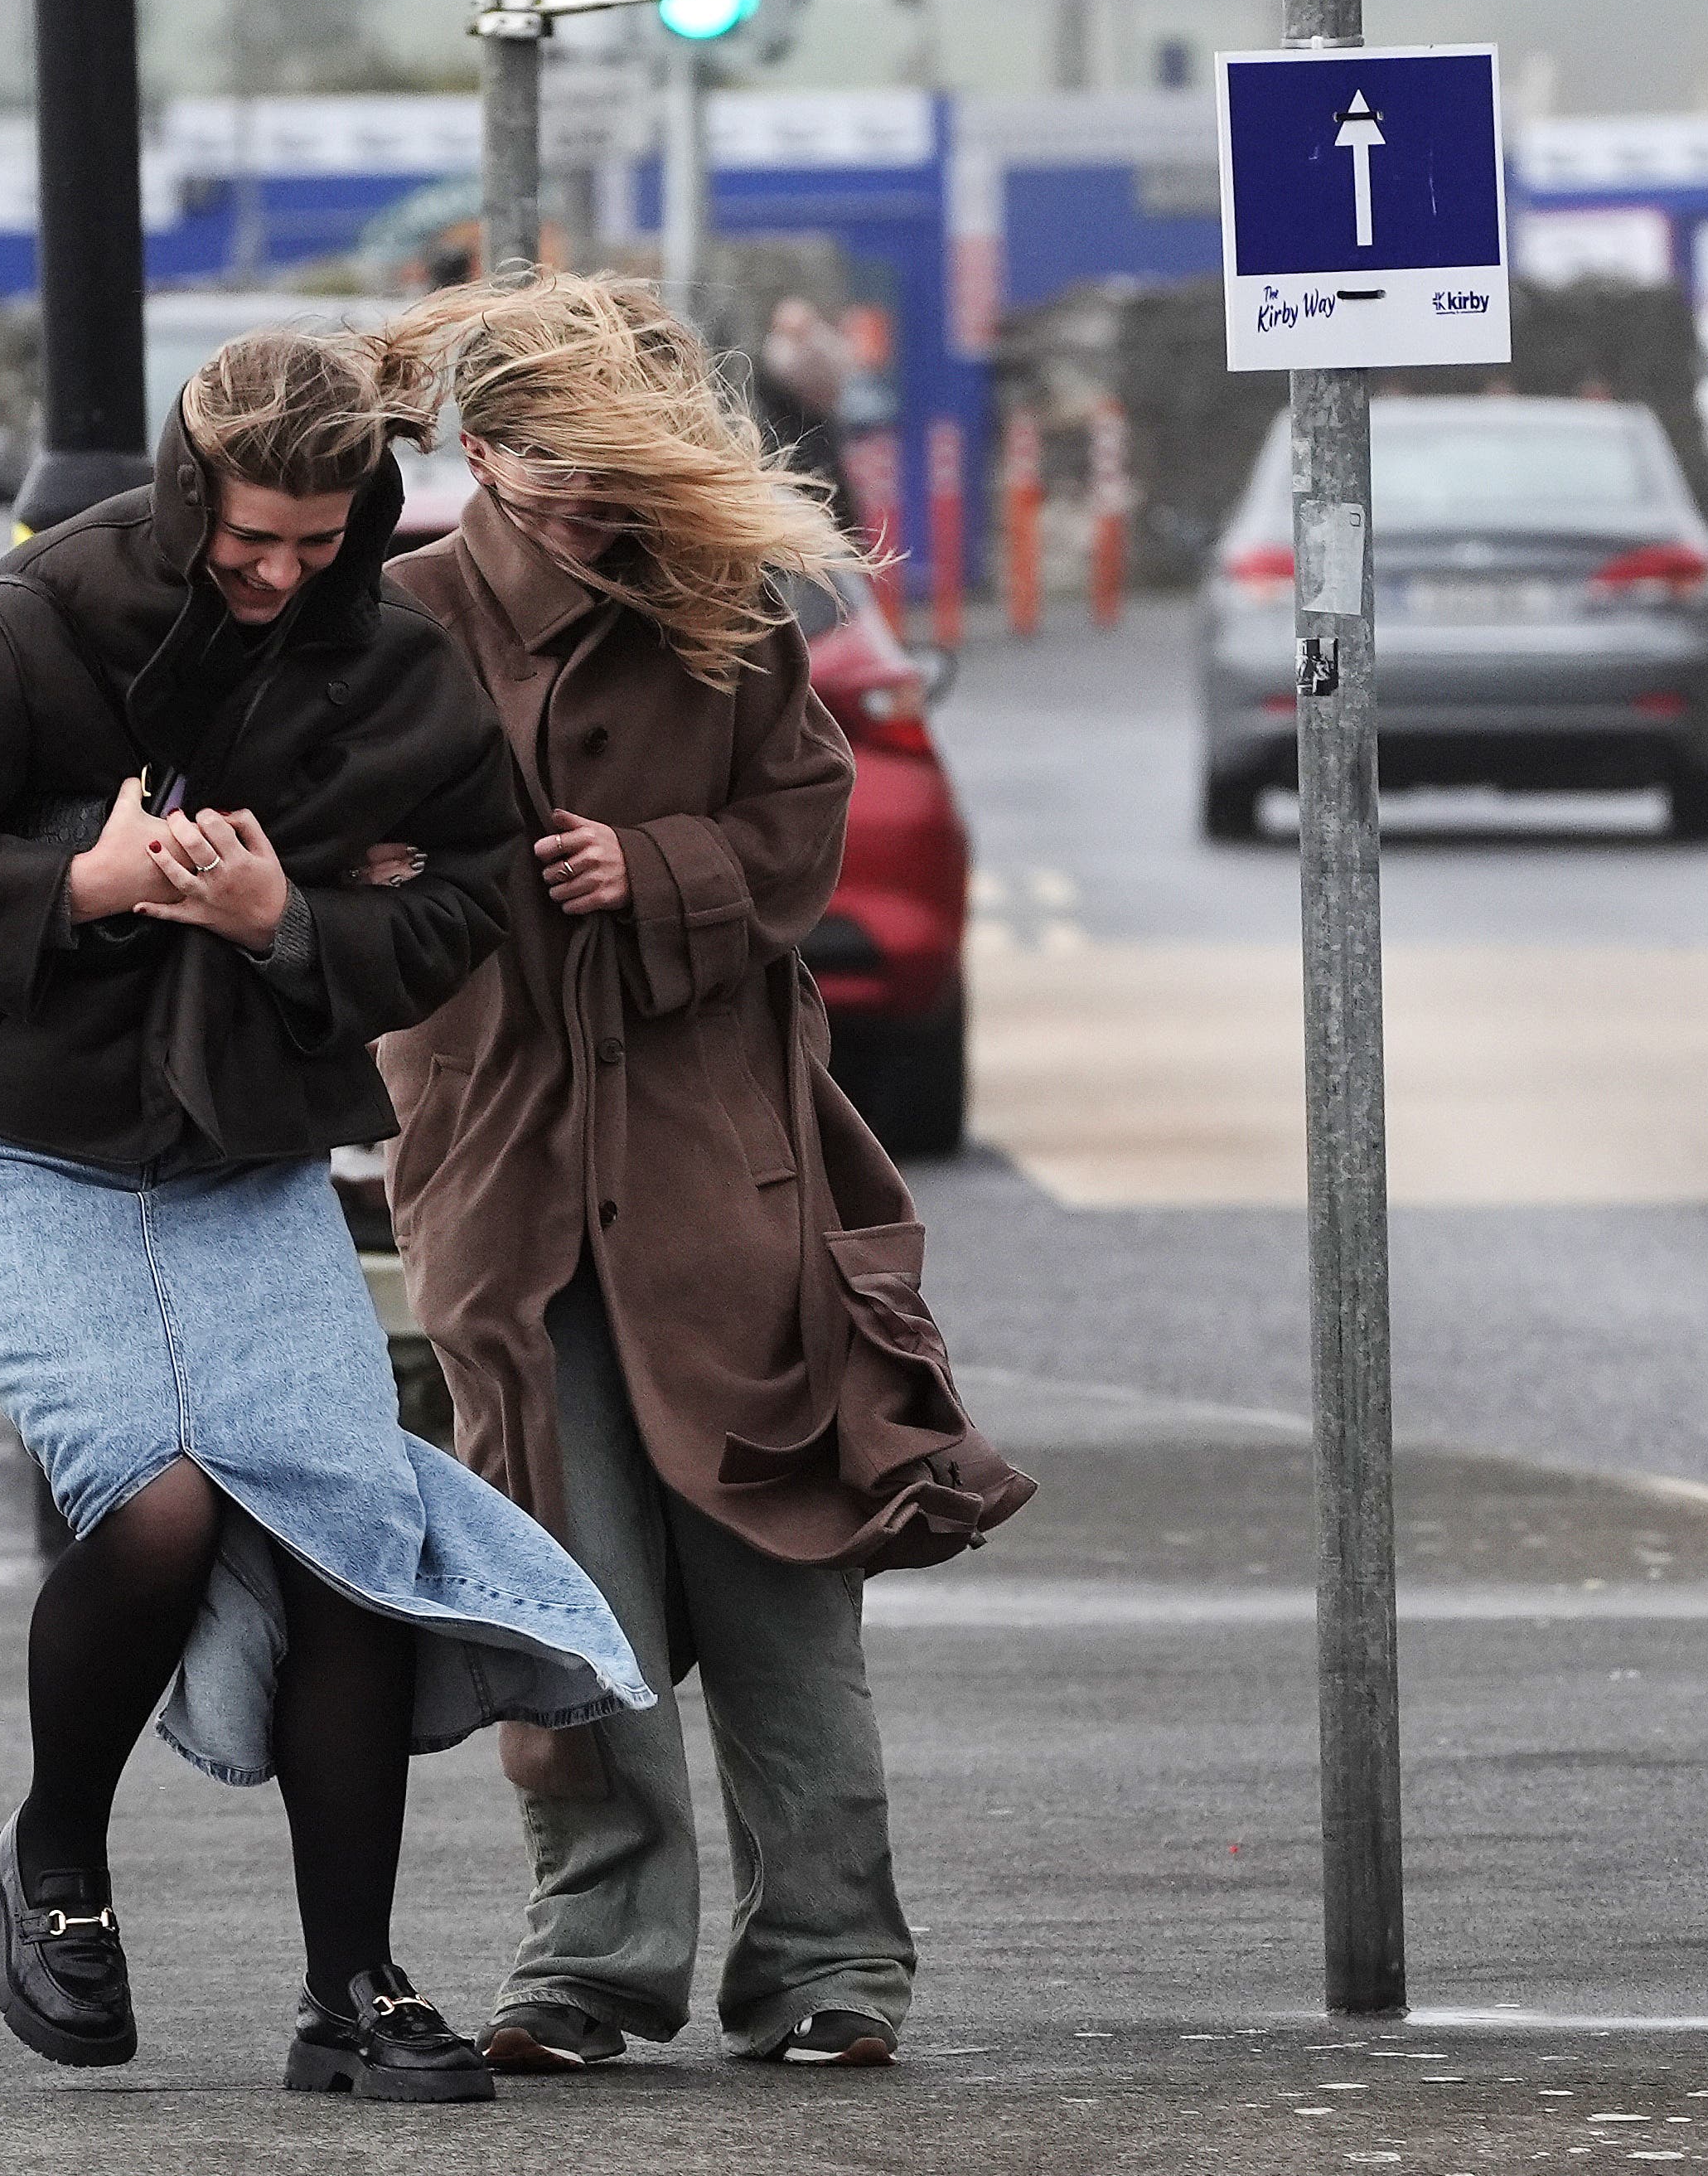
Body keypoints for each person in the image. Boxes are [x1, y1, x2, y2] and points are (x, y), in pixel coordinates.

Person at [0, 327, 651, 2105]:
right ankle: (56, 1858)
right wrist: (84, 881)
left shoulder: (396, 668)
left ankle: (352, 1990)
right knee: (166, 1494)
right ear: (193, 492)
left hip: (244, 1155)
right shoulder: (32, 620)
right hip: (13, 1148)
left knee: (345, 1524)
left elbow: (468, 898)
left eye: (315, 542)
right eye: (248, 539)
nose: (276, 575)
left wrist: (287, 921)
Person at [371, 274, 1033, 2077]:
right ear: (483, 453)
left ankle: (830, 1964)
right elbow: (346, 894)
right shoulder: (397, 627)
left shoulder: (728, 621)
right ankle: (590, 1964)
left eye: (623, 465)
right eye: (562, 467)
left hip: (719, 1170)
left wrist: (653, 870)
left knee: (780, 1577)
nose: (596, 499)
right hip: (503, 1174)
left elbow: (800, 838)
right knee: (564, 1591)